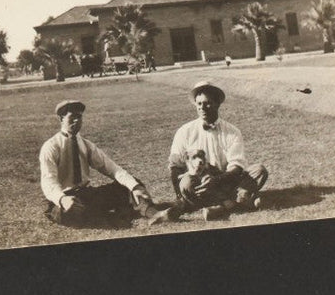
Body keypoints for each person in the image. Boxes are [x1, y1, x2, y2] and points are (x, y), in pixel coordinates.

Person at [40, 99, 171, 226]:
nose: (77, 121)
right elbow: (48, 181)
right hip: (63, 197)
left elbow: (112, 169)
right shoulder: (51, 147)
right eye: (72, 117)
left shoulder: (85, 145)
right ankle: (117, 214)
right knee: (66, 213)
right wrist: (63, 199)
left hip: (85, 195)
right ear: (61, 119)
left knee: (130, 184)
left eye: (79, 117)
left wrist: (134, 187)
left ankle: (153, 214)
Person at [167, 80, 270, 220]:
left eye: (207, 103)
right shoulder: (185, 131)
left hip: (226, 181)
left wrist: (216, 180)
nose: (202, 108)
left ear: (218, 104)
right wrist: (179, 196)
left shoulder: (232, 131)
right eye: (199, 104)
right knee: (186, 182)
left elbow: (237, 168)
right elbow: (175, 167)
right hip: (200, 184)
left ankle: (221, 207)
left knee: (259, 170)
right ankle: (238, 202)